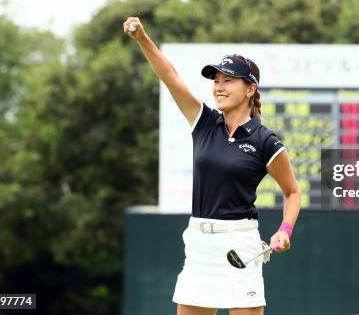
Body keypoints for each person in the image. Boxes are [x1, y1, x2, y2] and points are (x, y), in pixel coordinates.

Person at [123, 17, 301, 315]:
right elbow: (170, 76)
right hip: (199, 245)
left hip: (240, 246)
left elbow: (292, 192)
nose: (219, 87)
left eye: (228, 80)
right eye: (216, 81)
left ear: (249, 89)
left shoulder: (264, 140)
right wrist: (143, 39)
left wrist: (285, 230)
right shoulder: (204, 122)